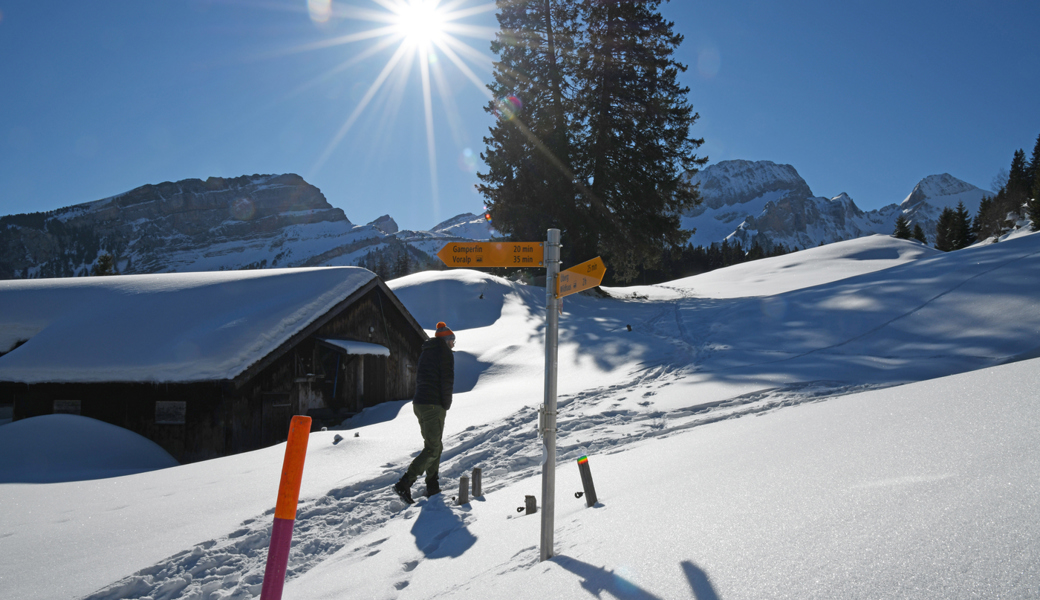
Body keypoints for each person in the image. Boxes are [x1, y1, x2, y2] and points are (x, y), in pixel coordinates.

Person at [393, 321, 455, 504]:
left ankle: (432, 485)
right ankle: (405, 483)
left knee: (435, 445)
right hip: (433, 405)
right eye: (452, 340)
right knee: (433, 448)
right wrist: (446, 404)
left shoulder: (427, 351)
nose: (453, 344)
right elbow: (447, 382)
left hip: (420, 404)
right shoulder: (444, 353)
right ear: (447, 340)